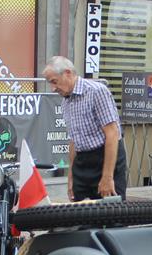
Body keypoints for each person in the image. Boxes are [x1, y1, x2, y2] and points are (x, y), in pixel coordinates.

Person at [44, 56, 127, 201]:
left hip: (104, 157)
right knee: (80, 210)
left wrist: (107, 177)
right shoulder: (66, 102)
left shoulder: (96, 91)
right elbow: (73, 140)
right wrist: (71, 177)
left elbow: (112, 134)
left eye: (54, 82)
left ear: (67, 73)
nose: (53, 88)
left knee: (110, 210)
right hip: (82, 162)